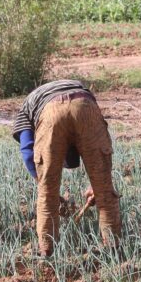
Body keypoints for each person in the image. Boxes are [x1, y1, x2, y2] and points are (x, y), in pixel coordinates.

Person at [12, 79, 121, 257]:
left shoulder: (27, 108)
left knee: (47, 196)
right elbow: (99, 151)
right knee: (105, 191)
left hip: (50, 113)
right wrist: (97, 185)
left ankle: (47, 255)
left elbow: (27, 150)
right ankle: (114, 251)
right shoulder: (76, 89)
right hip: (85, 104)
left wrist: (44, 183)